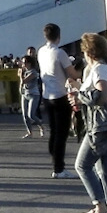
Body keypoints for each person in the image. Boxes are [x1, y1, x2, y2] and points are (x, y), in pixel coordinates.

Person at [72, 32, 107, 213]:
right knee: (105, 169)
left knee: (82, 165)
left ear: (89, 52)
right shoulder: (102, 68)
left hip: (100, 125)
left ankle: (100, 206)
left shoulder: (100, 70)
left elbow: (103, 97)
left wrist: (80, 96)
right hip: (106, 124)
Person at [39, 23, 76, 179]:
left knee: (54, 131)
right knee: (62, 133)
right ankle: (59, 167)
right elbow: (71, 74)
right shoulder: (60, 53)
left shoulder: (40, 51)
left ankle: (55, 160)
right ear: (58, 36)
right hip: (61, 95)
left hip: (47, 94)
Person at [19, 47, 45, 138]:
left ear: (29, 63)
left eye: (25, 62)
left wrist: (20, 75)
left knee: (31, 115)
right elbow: (21, 84)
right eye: (23, 62)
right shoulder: (24, 71)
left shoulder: (33, 72)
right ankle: (30, 132)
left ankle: (41, 126)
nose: (23, 64)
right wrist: (20, 90)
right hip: (25, 94)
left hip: (34, 94)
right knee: (24, 114)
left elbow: (24, 81)